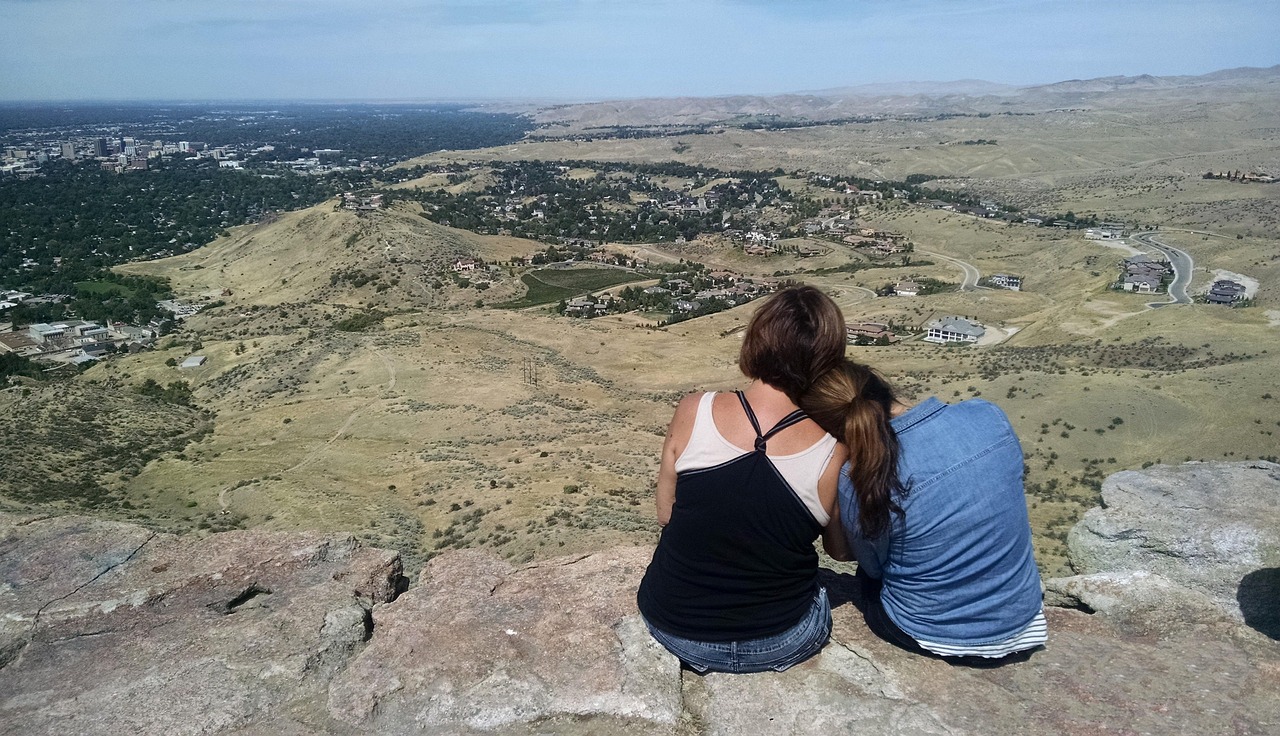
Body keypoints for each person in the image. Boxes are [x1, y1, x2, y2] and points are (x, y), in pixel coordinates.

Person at [636, 285, 850, 673]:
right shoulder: (833, 450)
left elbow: (666, 514)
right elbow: (839, 551)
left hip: (675, 628)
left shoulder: (693, 409)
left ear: (757, 340)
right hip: (781, 639)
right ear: (828, 357)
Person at [800, 360, 1046, 664]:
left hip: (929, 630)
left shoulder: (860, 478)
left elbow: (868, 565)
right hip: (1023, 615)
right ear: (881, 384)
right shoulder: (988, 415)